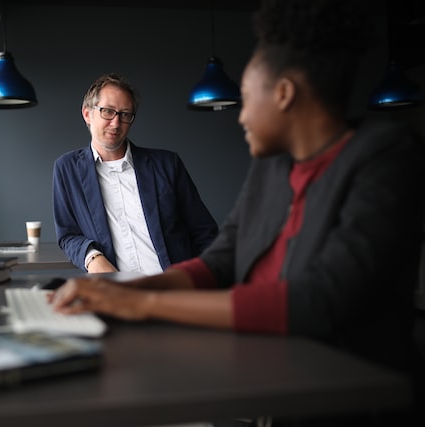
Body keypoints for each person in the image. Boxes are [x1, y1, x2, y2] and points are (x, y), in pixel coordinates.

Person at [52, 0, 424, 423]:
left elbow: (320, 301)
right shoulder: (272, 167)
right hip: (268, 377)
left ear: (283, 94)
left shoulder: (387, 156)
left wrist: (148, 303)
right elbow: (220, 259)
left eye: (245, 98)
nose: (241, 115)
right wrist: (124, 291)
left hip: (347, 398)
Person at [53, 73, 218, 274]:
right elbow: (68, 235)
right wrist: (92, 257)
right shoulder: (67, 169)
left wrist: (204, 280)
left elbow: (204, 231)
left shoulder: (167, 164)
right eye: (107, 111)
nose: (116, 123)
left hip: (173, 290)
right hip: (116, 294)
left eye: (124, 114)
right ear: (87, 114)